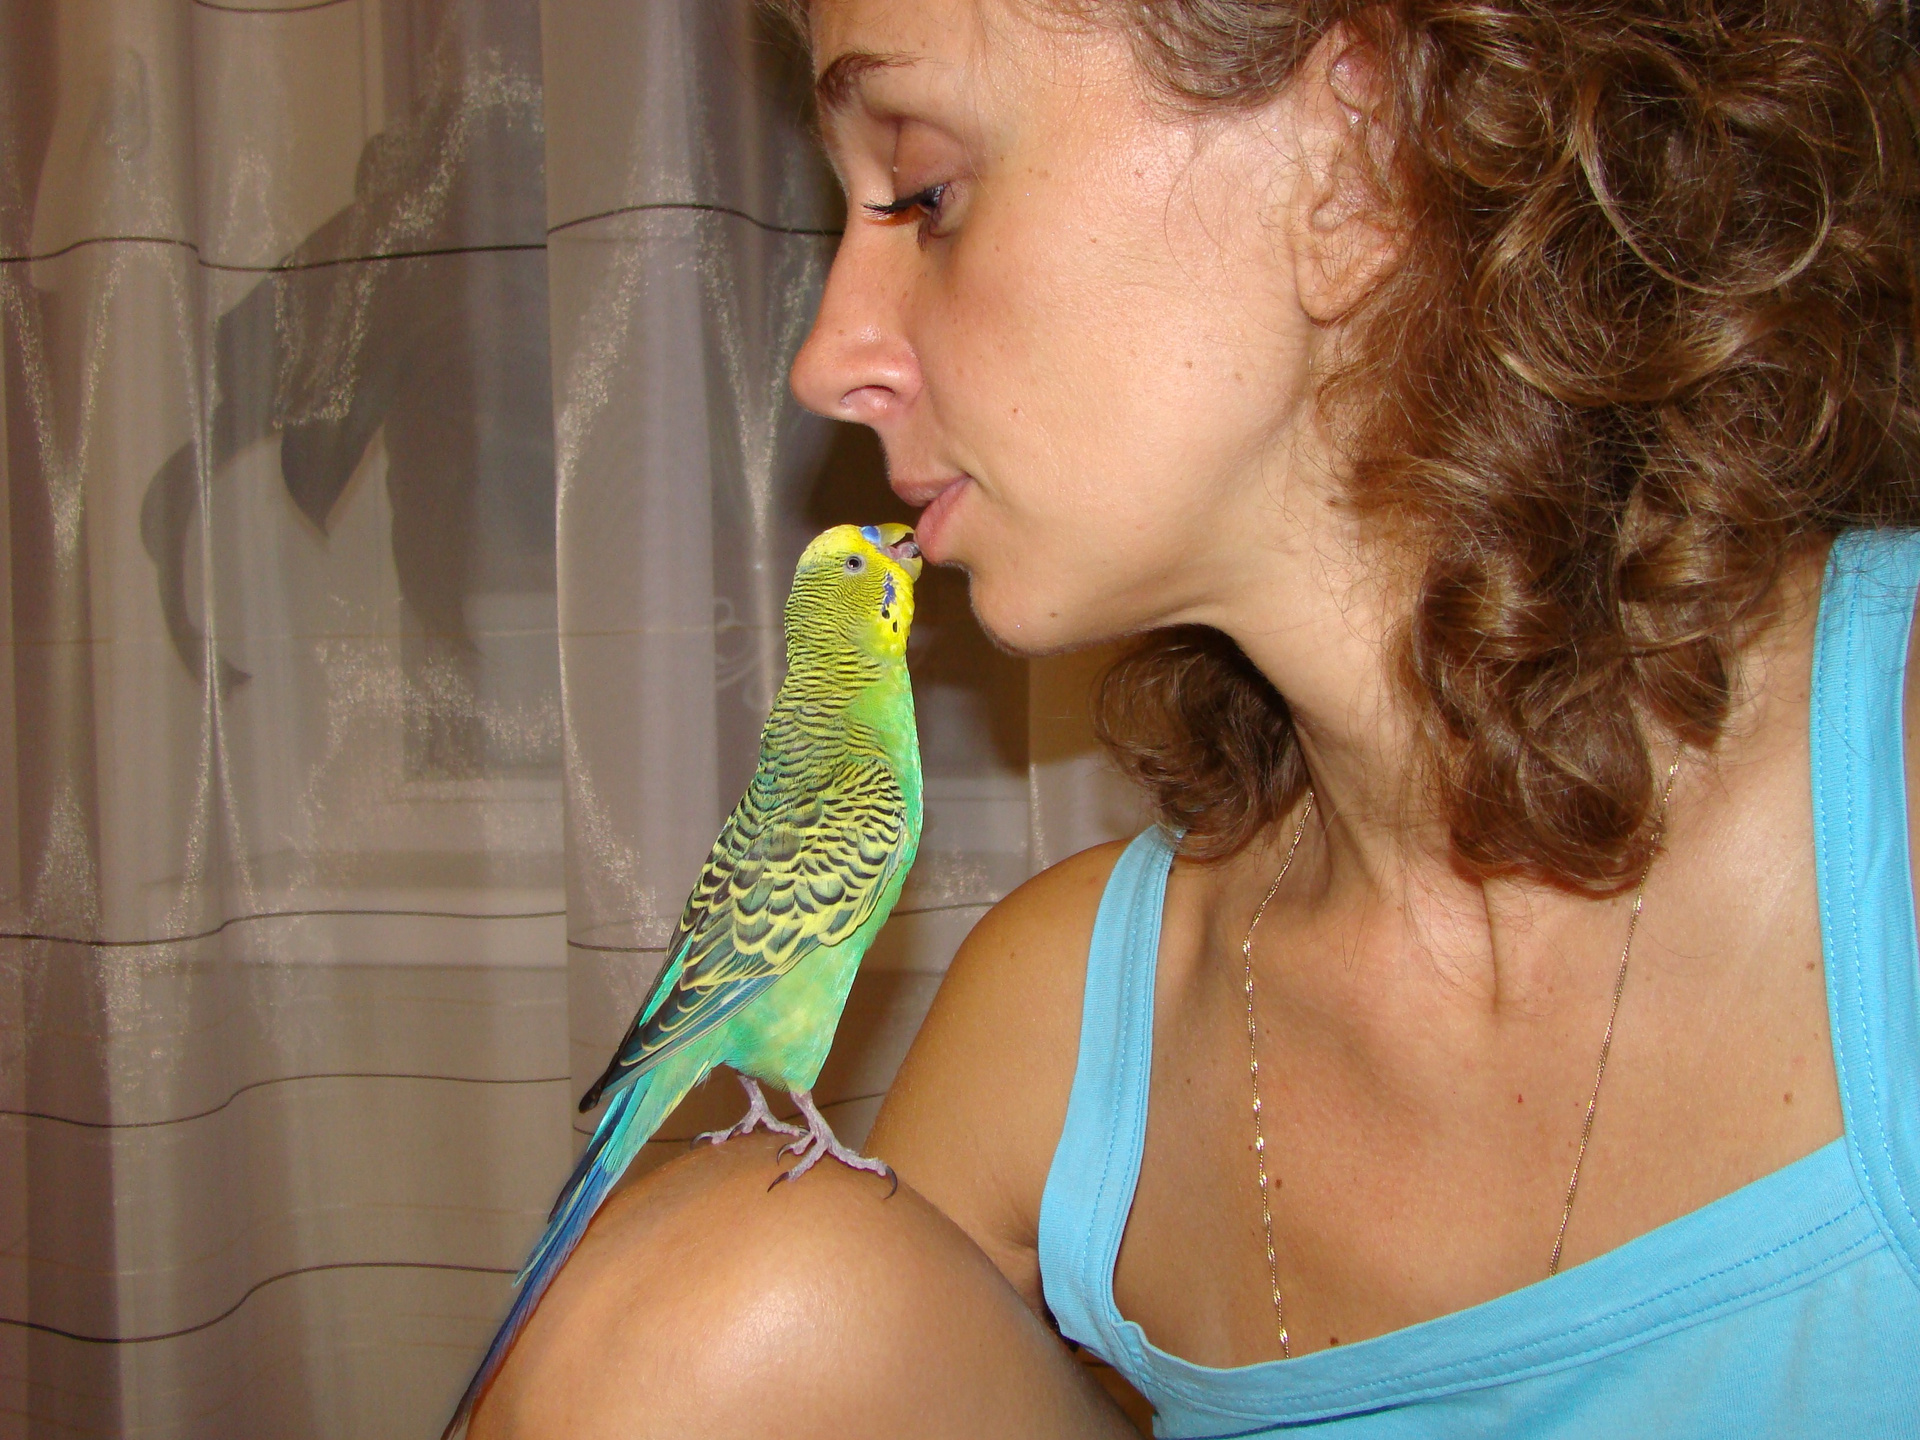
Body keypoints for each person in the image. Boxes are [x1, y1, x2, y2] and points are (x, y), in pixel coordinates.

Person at [472, 0, 1920, 1434]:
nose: (825, 359)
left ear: (1354, 157)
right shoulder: (1056, 1040)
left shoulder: (1891, 810)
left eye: (925, 191)